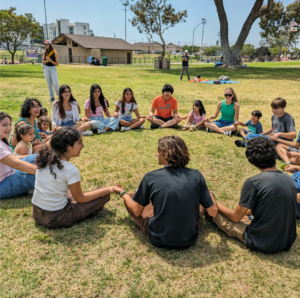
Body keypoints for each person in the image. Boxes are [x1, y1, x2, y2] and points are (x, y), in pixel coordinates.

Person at [120, 135, 218, 249]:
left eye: (158, 151)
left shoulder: (151, 177)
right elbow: (213, 212)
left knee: (132, 200)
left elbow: (137, 211)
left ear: (166, 154)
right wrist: (210, 194)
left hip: (158, 239)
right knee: (200, 201)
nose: (156, 154)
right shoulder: (196, 175)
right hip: (189, 238)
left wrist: (123, 194)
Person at [209, 137, 297, 253]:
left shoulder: (254, 182)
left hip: (262, 242)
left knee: (212, 211)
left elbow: (235, 218)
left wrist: (213, 201)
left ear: (251, 160)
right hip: (287, 241)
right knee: (244, 215)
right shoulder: (288, 178)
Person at [31, 127, 124, 228]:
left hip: (36, 214)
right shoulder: (70, 169)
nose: (83, 146)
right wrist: (109, 189)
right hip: (57, 219)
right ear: (68, 146)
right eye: (80, 142)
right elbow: (81, 199)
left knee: (67, 190)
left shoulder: (44, 160)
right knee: (103, 194)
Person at [0, 112, 37, 200]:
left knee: (35, 156)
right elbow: (17, 164)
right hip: (2, 185)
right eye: (5, 125)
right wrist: (44, 172)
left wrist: (33, 157)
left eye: (9, 124)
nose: (9, 128)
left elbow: (12, 158)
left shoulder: (1, 141)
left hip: (9, 174)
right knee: (31, 177)